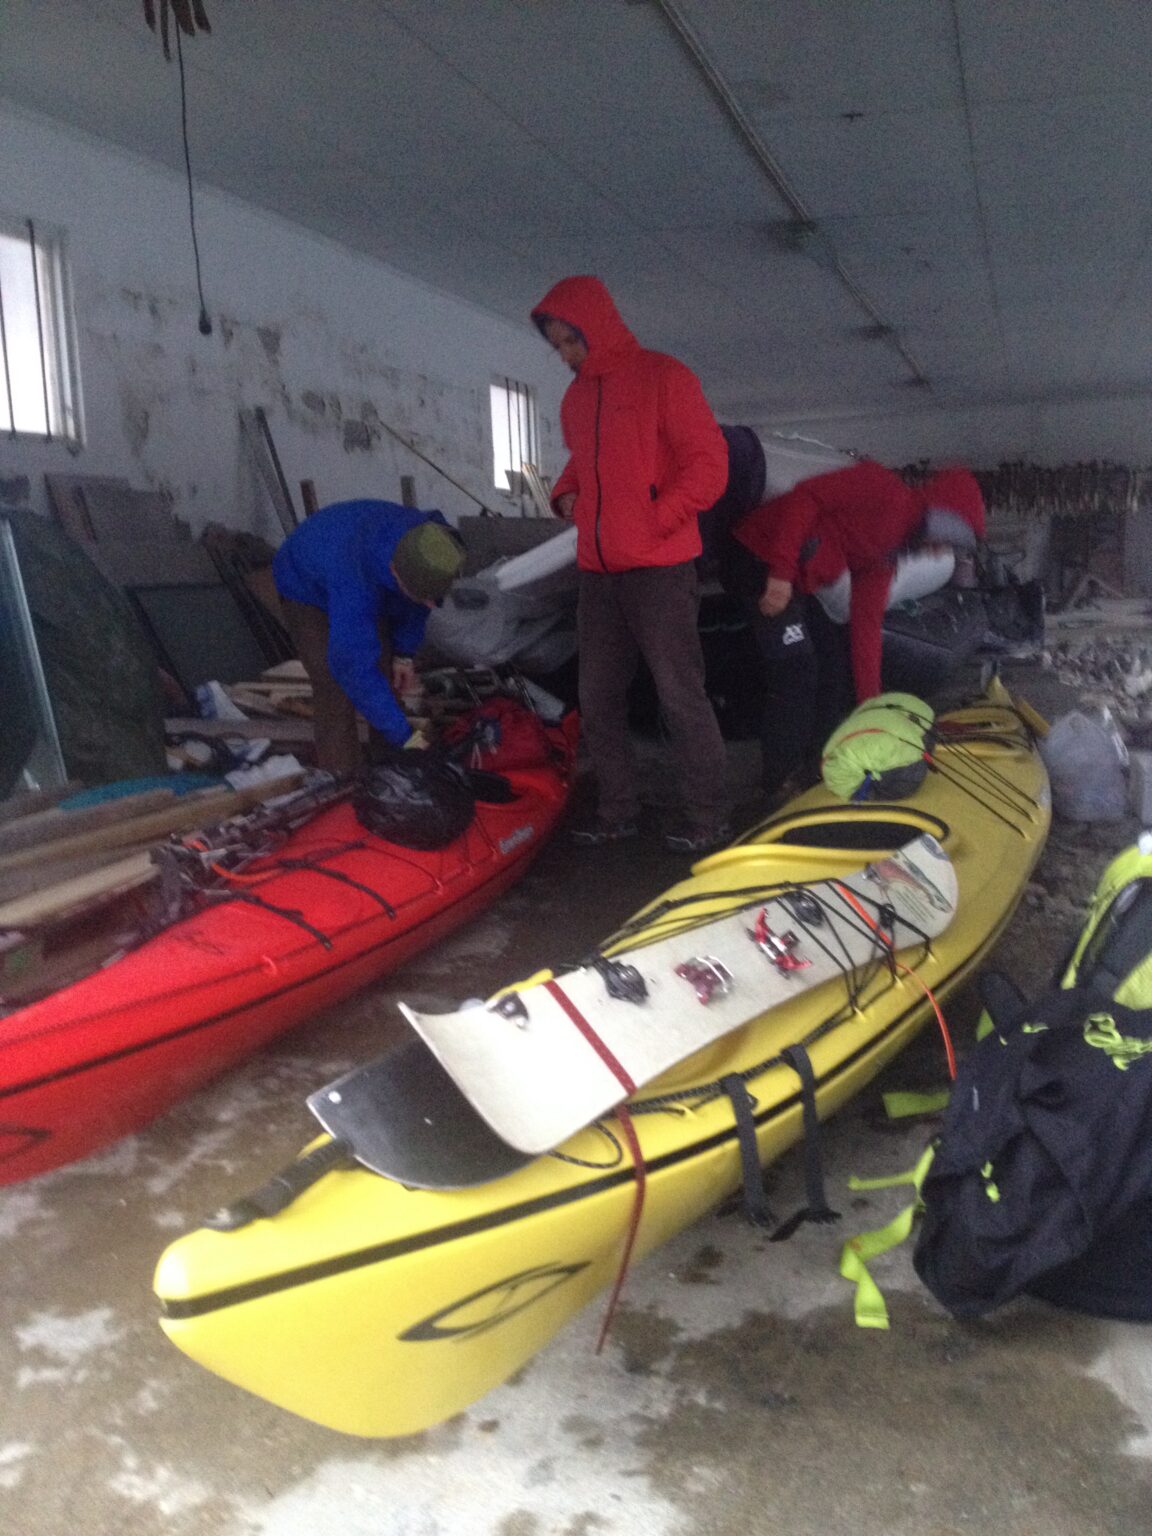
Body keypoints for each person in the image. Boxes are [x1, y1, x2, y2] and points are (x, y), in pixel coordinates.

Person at [531, 275, 732, 853]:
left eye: (573, 340)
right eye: (558, 346)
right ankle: (619, 809)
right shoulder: (576, 399)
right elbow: (583, 465)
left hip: (660, 567)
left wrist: (653, 519)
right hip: (598, 572)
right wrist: (564, 493)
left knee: (678, 693)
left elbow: (708, 465)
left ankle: (706, 816)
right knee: (596, 696)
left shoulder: (665, 378)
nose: (567, 355)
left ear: (599, 326)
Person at [726, 460, 986, 796]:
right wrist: (780, 574)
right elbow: (806, 498)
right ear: (937, 520)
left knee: (834, 668)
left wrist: (872, 708)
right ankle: (778, 786)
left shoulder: (888, 555)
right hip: (757, 554)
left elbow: (867, 625)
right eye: (945, 540)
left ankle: (820, 768)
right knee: (798, 670)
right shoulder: (878, 486)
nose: (940, 551)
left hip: (797, 580)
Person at [271, 499, 466, 775]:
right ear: (395, 575)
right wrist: (406, 736)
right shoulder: (355, 581)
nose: (432, 607)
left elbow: (417, 605)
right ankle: (341, 781)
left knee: (384, 674)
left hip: (360, 560)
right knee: (335, 684)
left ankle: (394, 764)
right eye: (422, 596)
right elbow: (352, 666)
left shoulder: (429, 544)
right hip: (304, 585)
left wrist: (403, 655)